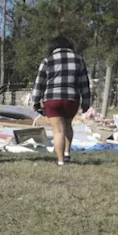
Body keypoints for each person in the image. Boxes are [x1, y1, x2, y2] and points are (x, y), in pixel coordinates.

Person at [32, 36, 91, 166]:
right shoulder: (79, 60)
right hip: (72, 99)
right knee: (68, 126)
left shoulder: (47, 61)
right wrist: (86, 102)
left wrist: (35, 101)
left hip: (52, 99)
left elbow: (39, 83)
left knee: (58, 130)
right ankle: (67, 153)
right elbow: (84, 83)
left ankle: (60, 161)